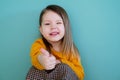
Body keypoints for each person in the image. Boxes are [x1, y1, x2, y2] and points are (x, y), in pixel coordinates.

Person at [26, 4, 84, 80]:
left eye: (58, 23)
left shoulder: (70, 50)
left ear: (65, 27)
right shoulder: (39, 44)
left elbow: (80, 74)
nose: (53, 27)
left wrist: (60, 62)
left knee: (64, 67)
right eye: (47, 24)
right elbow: (35, 56)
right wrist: (42, 59)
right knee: (34, 69)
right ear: (41, 30)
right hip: (45, 77)